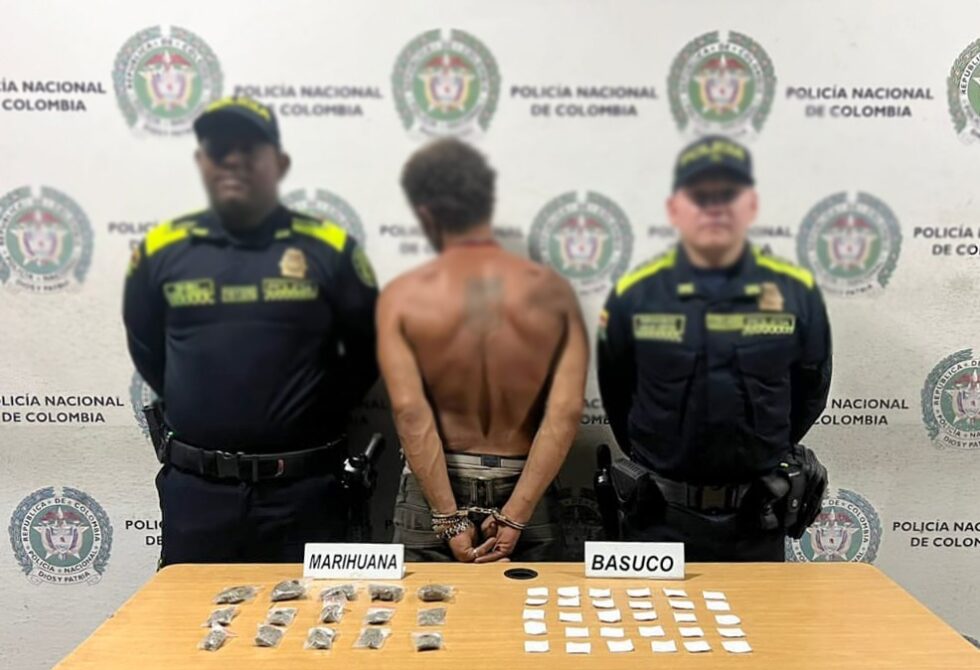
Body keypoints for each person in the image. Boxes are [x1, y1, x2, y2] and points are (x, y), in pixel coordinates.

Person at [123, 96, 379, 565]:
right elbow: (148, 352)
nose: (234, 160)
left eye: (250, 149)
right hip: (198, 495)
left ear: (279, 162)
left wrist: (305, 413)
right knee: (188, 614)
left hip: (304, 495)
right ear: (201, 161)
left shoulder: (331, 249)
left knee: (312, 614)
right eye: (220, 149)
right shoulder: (160, 251)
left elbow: (368, 353)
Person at [597, 135, 831, 561]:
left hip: (755, 523)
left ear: (751, 205)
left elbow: (809, 395)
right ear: (675, 208)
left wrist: (759, 452)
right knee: (649, 610)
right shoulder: (635, 293)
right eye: (700, 196)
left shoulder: (796, 293)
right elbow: (617, 394)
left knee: (761, 610)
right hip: (658, 522)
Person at [378, 138, 588, 563]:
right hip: (526, 491)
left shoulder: (403, 298)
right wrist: (516, 515)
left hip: (431, 496)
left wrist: (448, 519)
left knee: (421, 609)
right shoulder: (554, 294)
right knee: (529, 609)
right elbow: (565, 413)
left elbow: (410, 412)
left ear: (425, 212)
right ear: (489, 203)